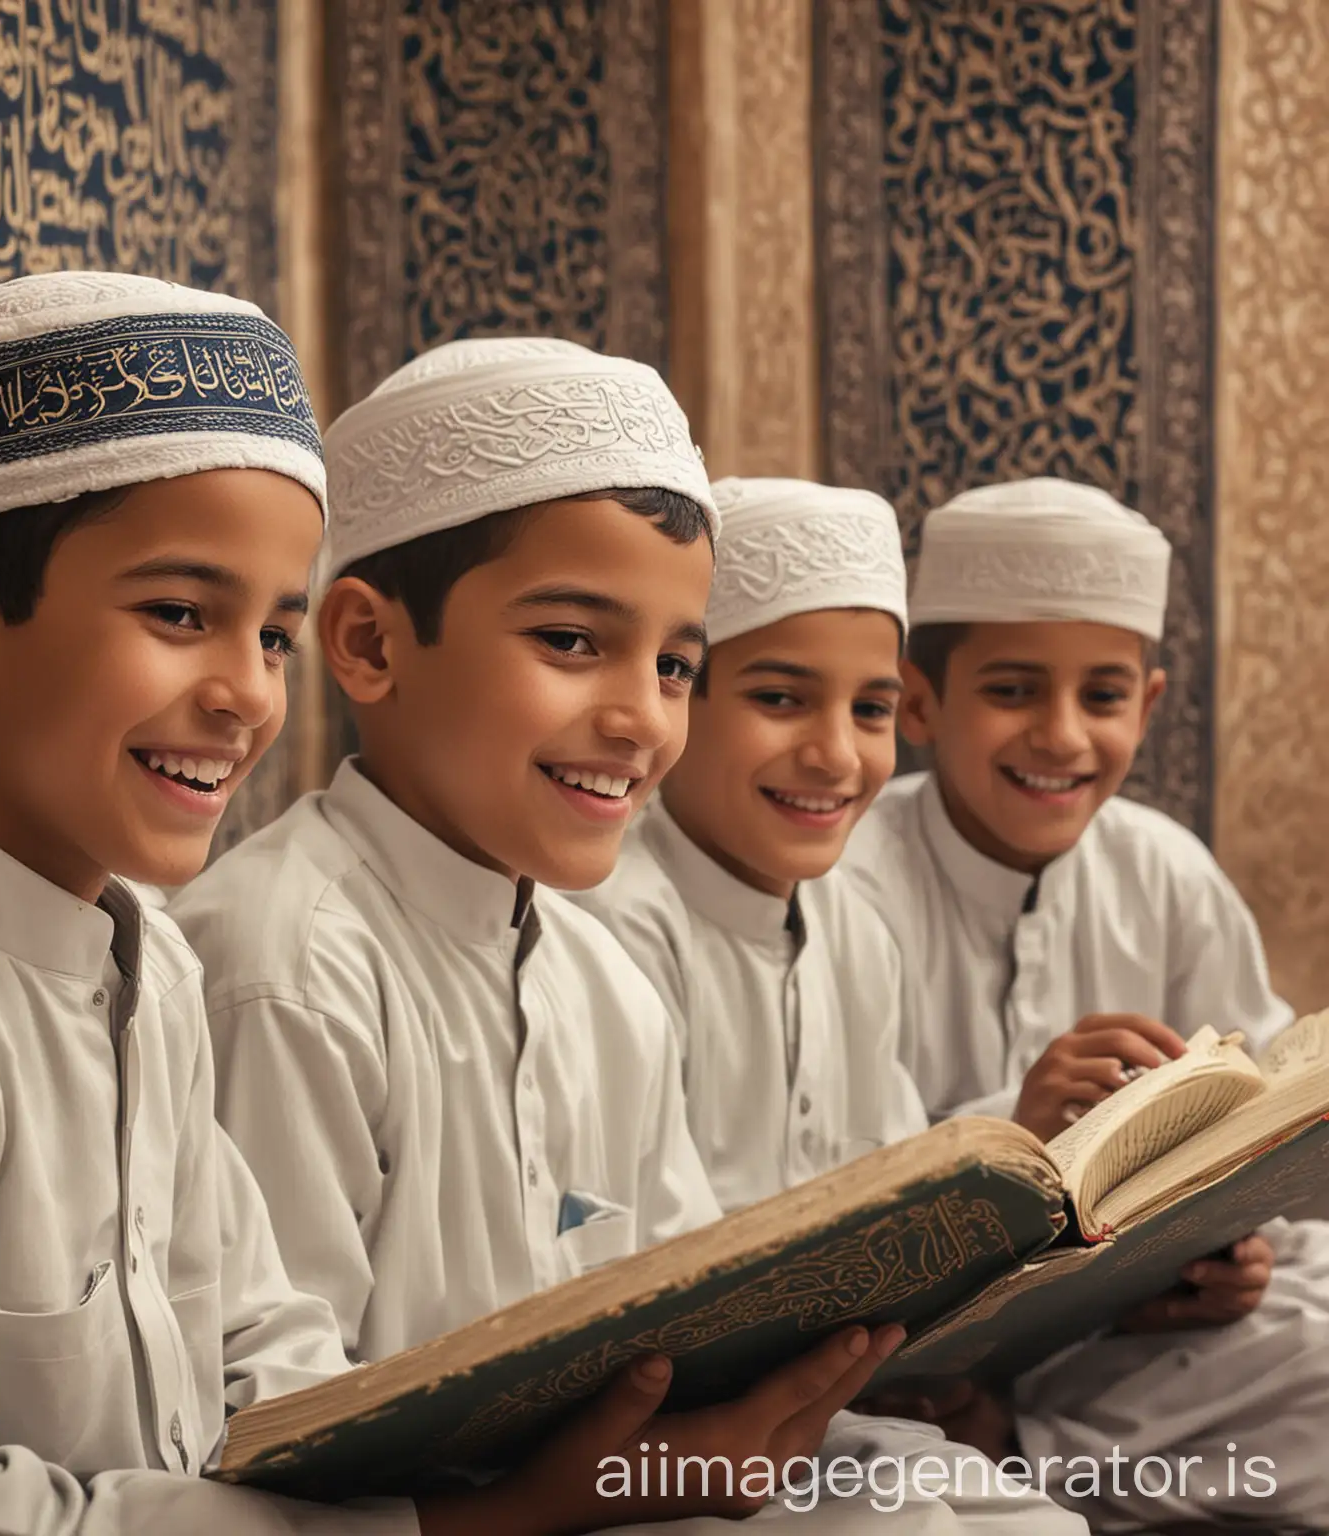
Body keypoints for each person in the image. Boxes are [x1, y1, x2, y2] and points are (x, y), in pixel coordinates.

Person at [175, 343, 1085, 1534]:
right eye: (570, 642)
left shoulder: (593, 976)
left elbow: (685, 1313)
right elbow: (285, 1448)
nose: (639, 719)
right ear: (369, 644)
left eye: (673, 666)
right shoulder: (283, 967)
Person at [0, 272, 648, 1536]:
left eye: (273, 638)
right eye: (182, 614)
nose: (248, 696)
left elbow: (265, 1345)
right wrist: (489, 1521)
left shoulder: (153, 968)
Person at [843, 476, 1329, 1530]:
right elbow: (830, 1184)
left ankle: (1018, 1448)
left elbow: (1266, 1131)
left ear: (1147, 705)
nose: (1062, 736)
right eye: (1014, 690)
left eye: (1102, 698)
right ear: (922, 702)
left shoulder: (1164, 870)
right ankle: (1014, 1451)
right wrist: (1014, 1135)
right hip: (915, 1340)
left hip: (1124, 1339)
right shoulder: (846, 885)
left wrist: (1229, 1254)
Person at [572, 475, 926, 1214]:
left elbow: (902, 1187)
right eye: (779, 699)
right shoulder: (610, 930)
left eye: (871, 709)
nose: (836, 755)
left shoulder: (858, 932)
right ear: (677, 695)